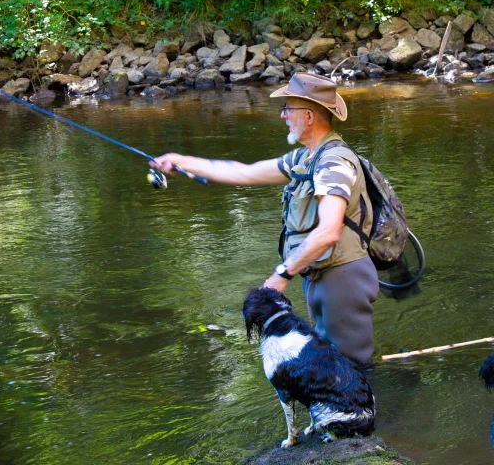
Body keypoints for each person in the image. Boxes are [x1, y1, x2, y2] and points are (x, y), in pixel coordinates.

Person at [150, 73, 379, 367]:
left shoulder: (333, 163)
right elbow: (244, 172)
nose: (283, 115)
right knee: (333, 369)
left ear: (308, 116)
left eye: (287, 108)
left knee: (352, 371)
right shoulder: (305, 158)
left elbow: (329, 231)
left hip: (343, 279)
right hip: (323, 275)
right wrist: (180, 160)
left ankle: (383, 412)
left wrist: (280, 276)